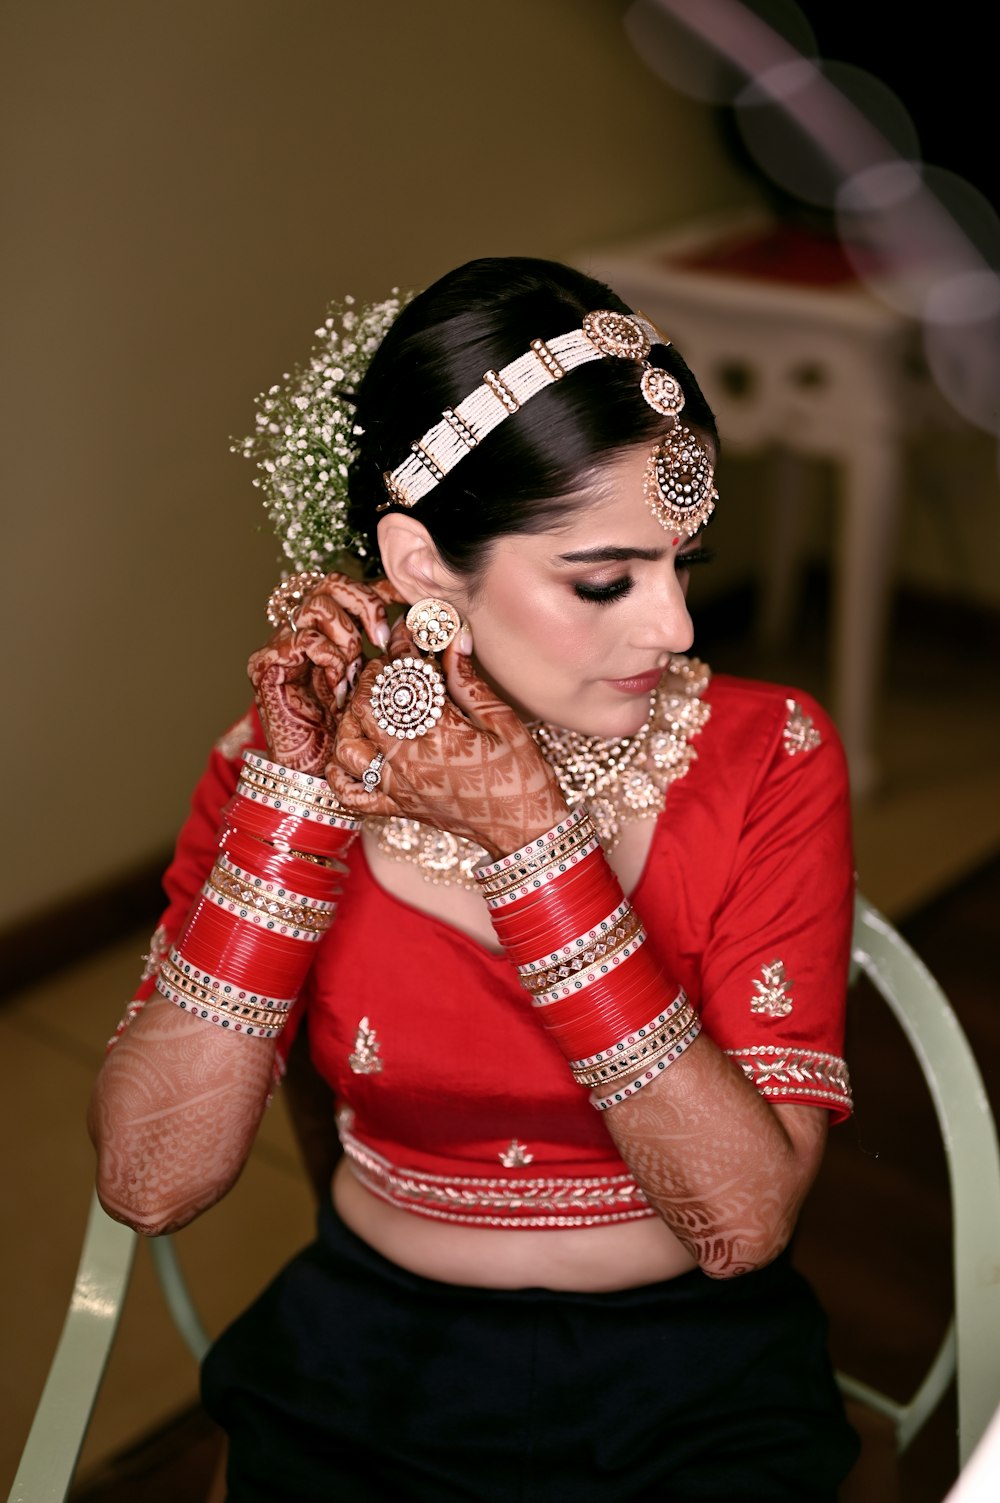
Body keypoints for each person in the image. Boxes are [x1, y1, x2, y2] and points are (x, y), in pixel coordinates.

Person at [88, 256, 859, 1502]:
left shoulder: (769, 753)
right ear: (425, 561)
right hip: (363, 1360)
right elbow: (151, 1183)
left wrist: (531, 844)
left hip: (693, 1383)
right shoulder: (280, 769)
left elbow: (741, 1222)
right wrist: (292, 806)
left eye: (685, 565)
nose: (672, 629)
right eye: (604, 578)